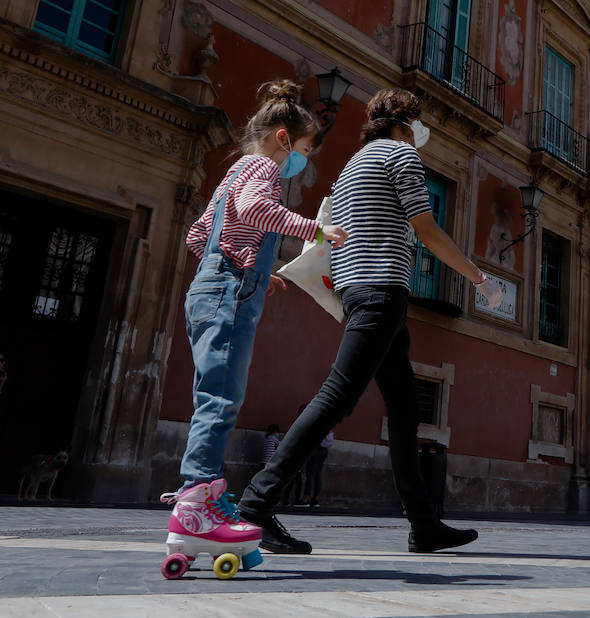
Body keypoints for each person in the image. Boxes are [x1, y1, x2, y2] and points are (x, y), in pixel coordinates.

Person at [238, 89, 502, 554]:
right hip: (381, 290)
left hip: (361, 289)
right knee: (336, 398)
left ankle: (424, 524)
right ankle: (255, 506)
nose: (423, 131)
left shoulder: (355, 162)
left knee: (404, 410)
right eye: (419, 121)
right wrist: (478, 279)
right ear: (404, 122)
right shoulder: (401, 156)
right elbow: (427, 230)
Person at [160, 81, 349, 566]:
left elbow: (198, 233)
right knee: (221, 400)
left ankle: (206, 500)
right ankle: (196, 507)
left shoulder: (232, 173)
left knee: (212, 395)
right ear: (285, 139)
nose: (301, 161)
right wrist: (314, 229)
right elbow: (255, 211)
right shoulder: (264, 167)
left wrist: (239, 264)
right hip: (228, 294)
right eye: (304, 150)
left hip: (213, 288)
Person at [302, 430, 332, 507]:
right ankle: (315, 499)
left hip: (316, 448)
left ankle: (306, 499)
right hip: (324, 450)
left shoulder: (318, 420)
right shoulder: (329, 423)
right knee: (318, 474)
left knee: (310, 473)